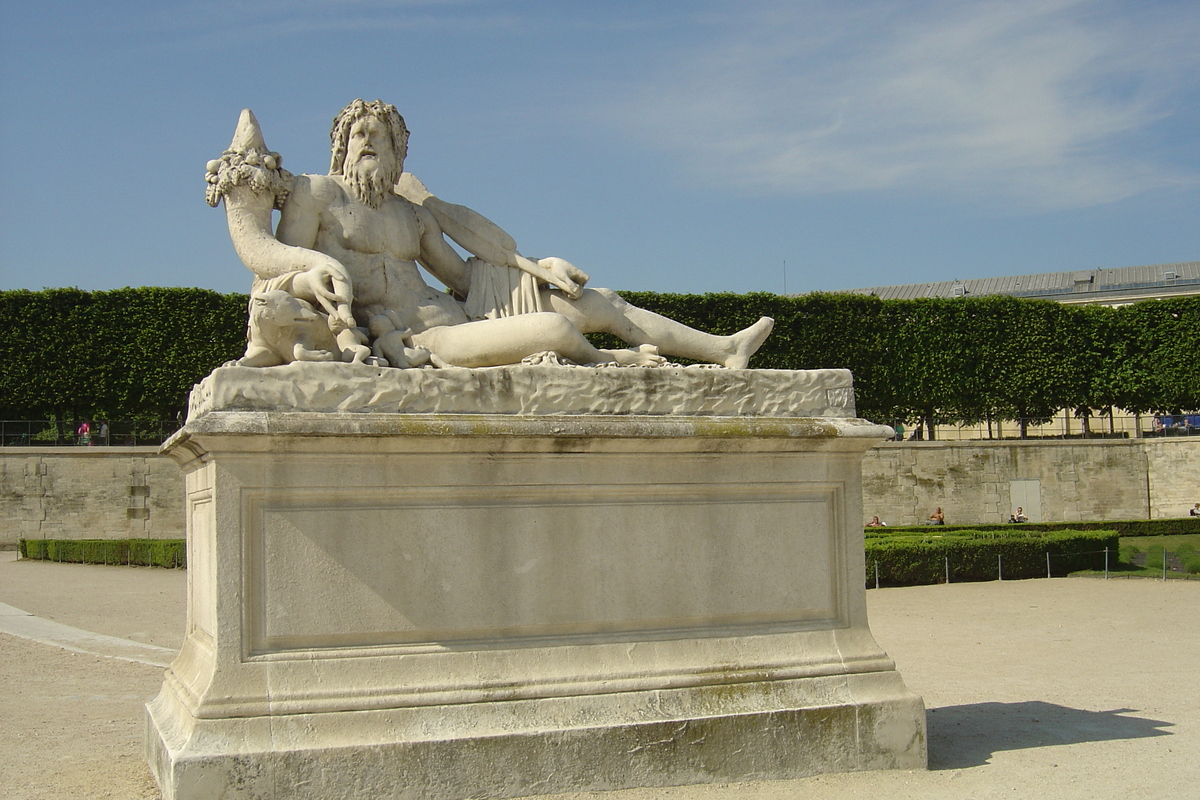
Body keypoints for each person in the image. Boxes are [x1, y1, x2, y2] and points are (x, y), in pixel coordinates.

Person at [222, 100, 774, 370]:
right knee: (555, 329)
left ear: (398, 153)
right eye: (357, 135)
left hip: (461, 313)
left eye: (380, 137)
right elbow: (274, 257)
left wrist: (537, 267)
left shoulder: (414, 216)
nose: (367, 143)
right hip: (419, 340)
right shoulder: (316, 194)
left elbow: (464, 276)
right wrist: (310, 271)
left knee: (596, 303)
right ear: (340, 146)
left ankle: (723, 348)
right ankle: (614, 363)